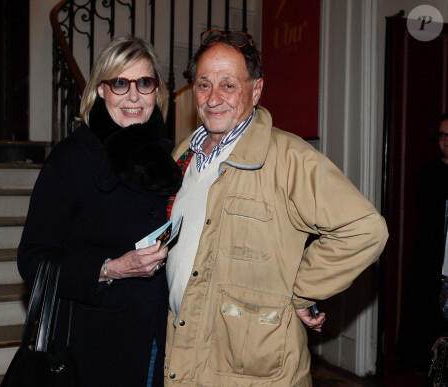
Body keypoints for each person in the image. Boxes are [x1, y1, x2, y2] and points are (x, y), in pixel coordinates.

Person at [163, 30, 389, 386]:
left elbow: (365, 229)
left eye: (228, 85)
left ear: (256, 90)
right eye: (204, 84)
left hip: (254, 371)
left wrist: (301, 291)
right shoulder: (182, 155)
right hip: (185, 353)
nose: (213, 98)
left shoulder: (290, 158)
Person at [17, 34, 182, 387]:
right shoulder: (71, 160)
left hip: (156, 338)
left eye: (145, 83)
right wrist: (111, 270)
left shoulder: (164, 160)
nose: (134, 95)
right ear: (101, 91)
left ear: (158, 92)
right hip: (92, 347)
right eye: (120, 82)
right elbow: (32, 260)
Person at [397, 113, 448, 372]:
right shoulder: (430, 172)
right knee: (431, 340)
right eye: (443, 135)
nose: (447, 141)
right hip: (433, 271)